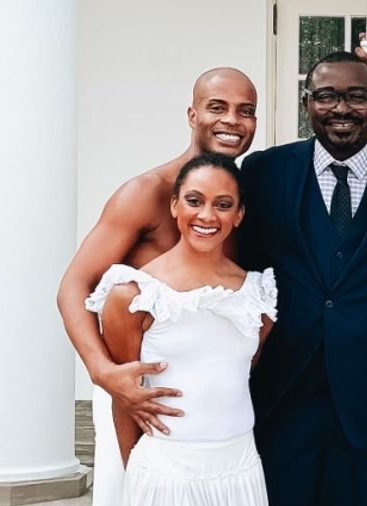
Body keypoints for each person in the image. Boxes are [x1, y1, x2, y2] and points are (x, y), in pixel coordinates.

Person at [59, 45, 367, 506]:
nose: (232, 121)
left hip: (220, 419)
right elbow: (74, 286)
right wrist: (104, 372)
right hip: (142, 396)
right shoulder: (146, 192)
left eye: (245, 111)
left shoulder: (248, 190)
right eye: (218, 107)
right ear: (192, 113)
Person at [237, 51, 367, 506]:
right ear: (308, 103)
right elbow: (233, 262)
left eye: (355, 97)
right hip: (281, 391)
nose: (341, 109)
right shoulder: (264, 173)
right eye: (326, 96)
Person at [86, 154, 277, 505]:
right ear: (174, 205)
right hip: (165, 473)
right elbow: (124, 398)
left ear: (239, 215)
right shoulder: (135, 293)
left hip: (240, 467)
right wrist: (139, 478)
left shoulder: (258, 293)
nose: (207, 216)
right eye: (194, 201)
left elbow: (241, 371)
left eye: (223, 205)